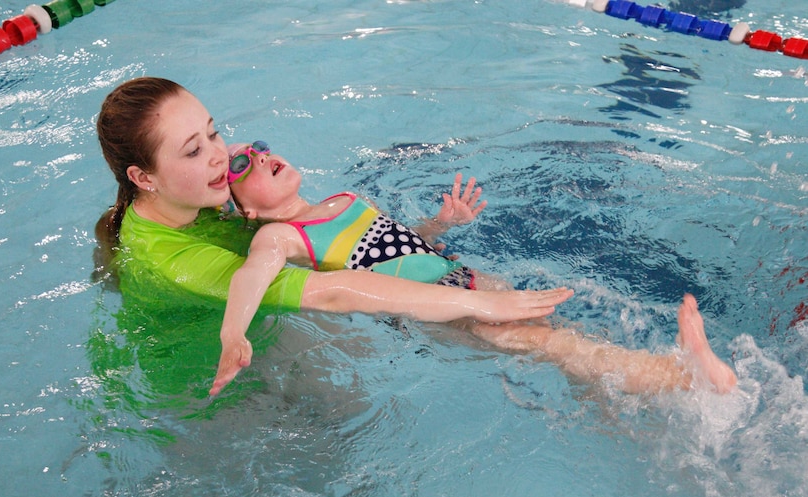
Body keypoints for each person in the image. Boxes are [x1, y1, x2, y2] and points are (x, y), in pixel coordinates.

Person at [94, 77, 575, 394]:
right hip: (210, 382)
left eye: (214, 134)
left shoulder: (206, 195)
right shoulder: (180, 261)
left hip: (432, 290)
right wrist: (481, 305)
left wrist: (434, 230)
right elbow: (333, 293)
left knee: (561, 347)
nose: (221, 157)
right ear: (144, 177)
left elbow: (351, 246)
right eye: (194, 150)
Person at [215, 139, 738, 397]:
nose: (259, 156)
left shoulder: (343, 198)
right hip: (438, 313)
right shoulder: (280, 234)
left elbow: (396, 244)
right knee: (549, 345)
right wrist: (233, 331)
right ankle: (688, 379)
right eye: (241, 165)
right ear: (246, 209)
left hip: (463, 278)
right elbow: (252, 273)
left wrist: (441, 225)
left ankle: (639, 393)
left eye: (258, 148)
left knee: (562, 337)